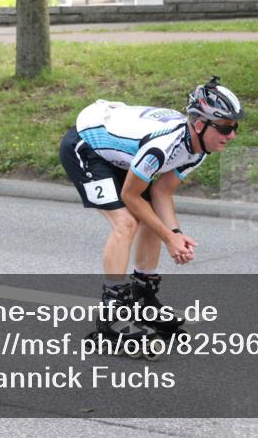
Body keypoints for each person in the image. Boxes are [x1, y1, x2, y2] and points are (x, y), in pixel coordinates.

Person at [60, 76, 244, 343]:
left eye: (235, 127)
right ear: (200, 124)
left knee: (150, 219)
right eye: (226, 128)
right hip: (86, 146)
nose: (232, 135)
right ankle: (111, 316)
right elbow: (131, 196)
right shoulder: (162, 148)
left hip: (120, 149)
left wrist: (175, 232)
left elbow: (161, 192)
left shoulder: (199, 148)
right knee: (126, 223)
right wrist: (169, 239)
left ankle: (143, 299)